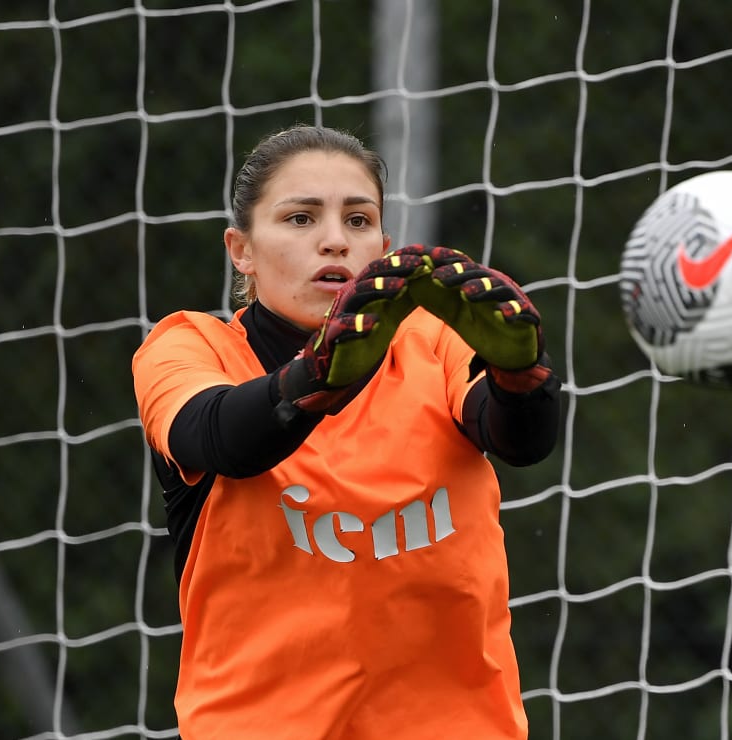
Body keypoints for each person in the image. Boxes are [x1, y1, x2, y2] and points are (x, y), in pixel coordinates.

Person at [131, 124, 560, 739]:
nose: (334, 240)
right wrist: (314, 378)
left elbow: (521, 440)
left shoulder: (431, 340)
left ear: (383, 245)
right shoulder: (189, 345)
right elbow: (219, 436)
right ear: (240, 250)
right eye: (301, 219)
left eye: (358, 221)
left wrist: (522, 378)